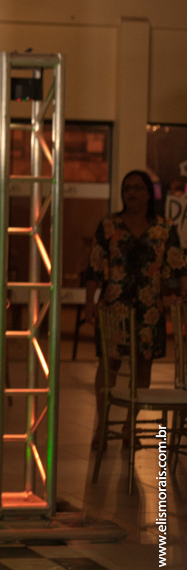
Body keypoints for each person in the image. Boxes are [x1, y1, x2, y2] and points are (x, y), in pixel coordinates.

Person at [82, 169, 185, 447]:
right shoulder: (109, 225)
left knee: (142, 368)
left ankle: (130, 427)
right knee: (108, 364)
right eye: (127, 188)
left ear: (149, 193)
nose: (132, 193)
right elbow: (93, 268)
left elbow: (177, 267)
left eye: (138, 188)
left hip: (150, 309)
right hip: (114, 306)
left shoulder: (165, 227)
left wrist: (177, 300)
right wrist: (89, 304)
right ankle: (102, 427)